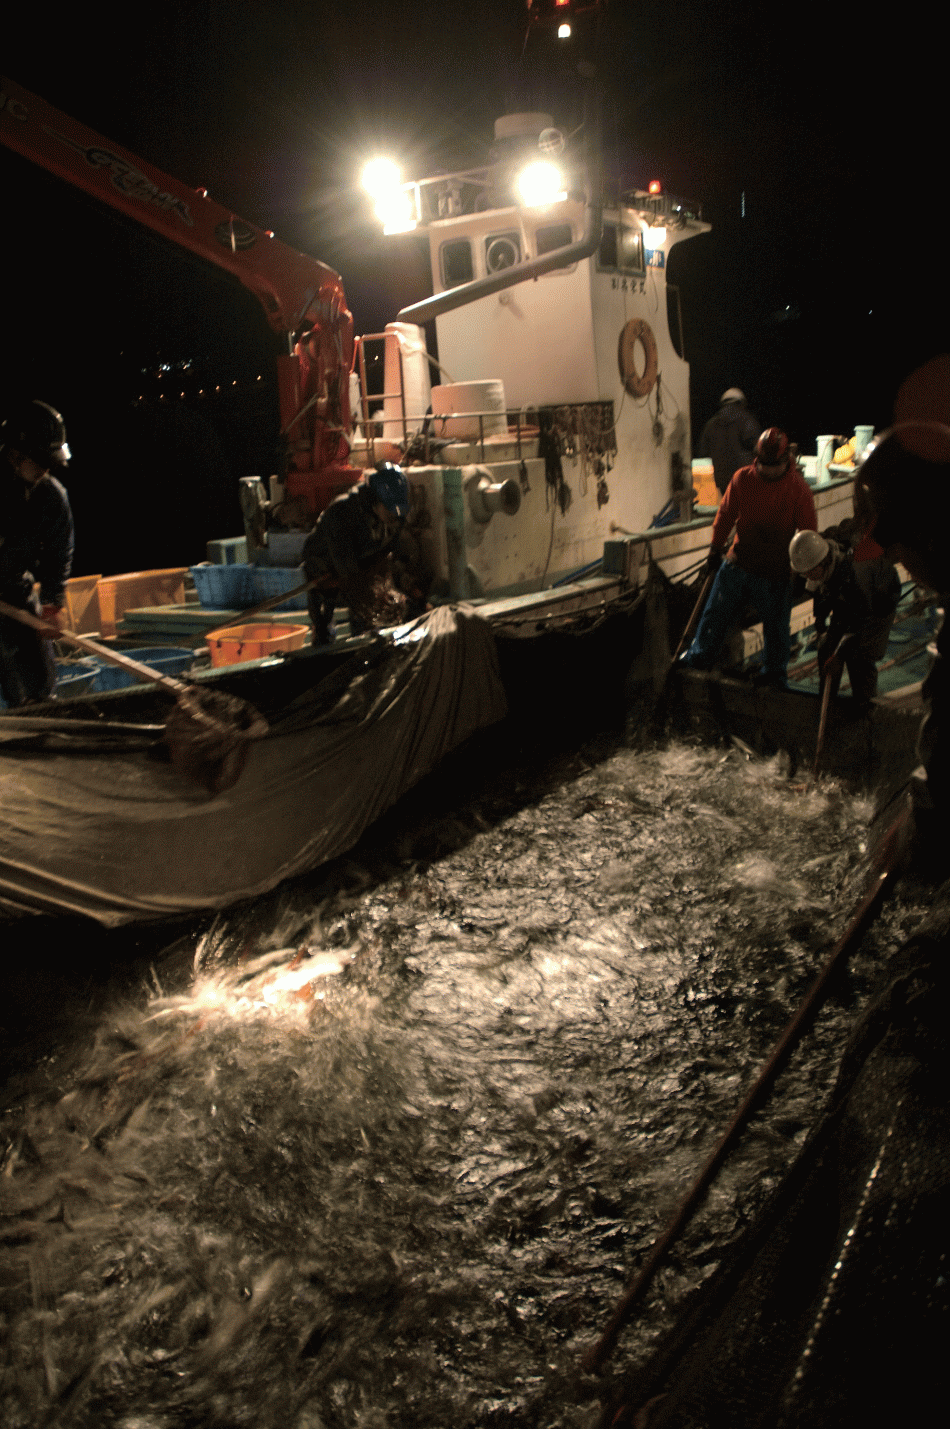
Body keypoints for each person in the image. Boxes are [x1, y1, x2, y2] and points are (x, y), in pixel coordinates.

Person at [680, 427, 817, 686]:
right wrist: (714, 548)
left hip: (775, 574)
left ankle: (773, 676)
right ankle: (698, 661)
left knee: (776, 631)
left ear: (786, 459)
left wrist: (802, 571)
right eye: (763, 464)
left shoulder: (798, 490)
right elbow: (725, 516)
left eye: (773, 465)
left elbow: (808, 535)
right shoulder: (743, 479)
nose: (768, 470)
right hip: (738, 565)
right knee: (714, 616)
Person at [0, 399, 74, 706]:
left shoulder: (50, 495)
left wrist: (52, 603)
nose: (45, 469)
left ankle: (41, 709)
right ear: (15, 455)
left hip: (16, 586)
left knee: (41, 679)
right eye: (39, 460)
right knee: (11, 677)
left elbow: (59, 550)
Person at [789, 526, 901, 705]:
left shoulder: (855, 574)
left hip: (879, 599)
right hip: (852, 600)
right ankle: (827, 703)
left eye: (809, 572)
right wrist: (822, 631)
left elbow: (857, 620)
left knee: (860, 654)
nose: (807, 576)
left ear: (822, 563)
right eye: (804, 573)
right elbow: (824, 598)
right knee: (826, 646)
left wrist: (839, 655)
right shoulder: (817, 561)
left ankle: (864, 706)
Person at [302, 462, 410, 643]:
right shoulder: (341, 514)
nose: (394, 518)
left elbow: (393, 550)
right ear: (375, 501)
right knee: (325, 622)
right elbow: (349, 573)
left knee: (367, 624)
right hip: (325, 566)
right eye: (390, 512)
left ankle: (364, 638)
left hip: (361, 561)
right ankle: (323, 635)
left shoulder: (392, 516)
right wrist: (371, 595)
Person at [698, 387, 762, 498]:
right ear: (740, 402)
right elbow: (759, 448)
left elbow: (703, 451)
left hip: (722, 481)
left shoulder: (711, 424)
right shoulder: (747, 420)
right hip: (745, 478)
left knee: (729, 511)